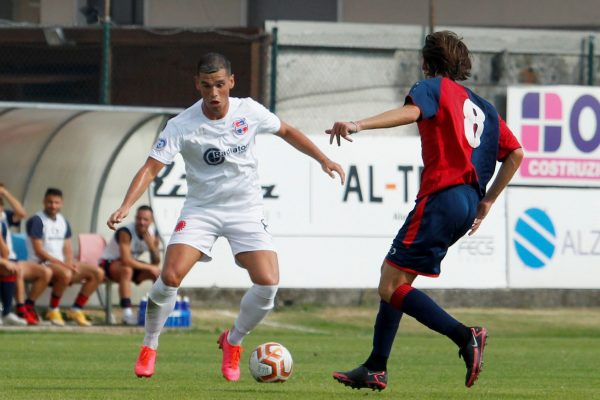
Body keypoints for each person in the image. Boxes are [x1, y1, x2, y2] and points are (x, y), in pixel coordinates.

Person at [107, 52, 345, 381]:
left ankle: (233, 342)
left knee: (268, 284)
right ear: (198, 85)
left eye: (220, 84)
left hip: (244, 210)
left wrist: (323, 159)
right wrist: (126, 205)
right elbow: (151, 167)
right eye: (207, 86)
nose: (214, 93)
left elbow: (287, 131)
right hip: (201, 210)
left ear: (231, 82)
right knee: (171, 276)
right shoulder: (181, 125)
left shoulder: (250, 110)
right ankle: (150, 345)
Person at [327, 31, 523, 390]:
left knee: (389, 284)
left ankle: (466, 335)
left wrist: (357, 124)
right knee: (399, 282)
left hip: (442, 197)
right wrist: (489, 200)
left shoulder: (433, 86)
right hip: (465, 204)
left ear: (426, 61)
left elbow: (411, 111)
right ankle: (376, 366)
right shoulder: (486, 108)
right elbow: (516, 153)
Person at [26, 188, 105, 327]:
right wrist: (64, 265)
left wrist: (69, 262)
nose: (53, 206)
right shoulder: (37, 220)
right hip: (42, 263)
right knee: (66, 273)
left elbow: (68, 248)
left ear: (62, 203)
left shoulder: (63, 221)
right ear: (44, 202)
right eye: (50, 202)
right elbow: (39, 251)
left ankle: (76, 309)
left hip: (60, 264)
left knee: (98, 273)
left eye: (56, 202)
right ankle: (53, 309)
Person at [100, 205, 161, 325]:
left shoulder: (154, 232)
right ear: (135, 218)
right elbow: (126, 260)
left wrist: (152, 247)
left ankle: (157, 310)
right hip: (109, 263)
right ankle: (127, 314)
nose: (141, 222)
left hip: (130, 265)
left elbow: (156, 262)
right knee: (127, 270)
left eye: (145, 220)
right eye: (139, 218)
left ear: (151, 221)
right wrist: (150, 267)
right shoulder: (126, 232)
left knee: (159, 273)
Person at [0, 184, 52, 325]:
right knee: (12, 269)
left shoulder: (3, 219)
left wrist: (5, 193)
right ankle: (17, 311)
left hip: (9, 259)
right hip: (5, 261)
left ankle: (27, 307)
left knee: (45, 272)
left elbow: (21, 213)